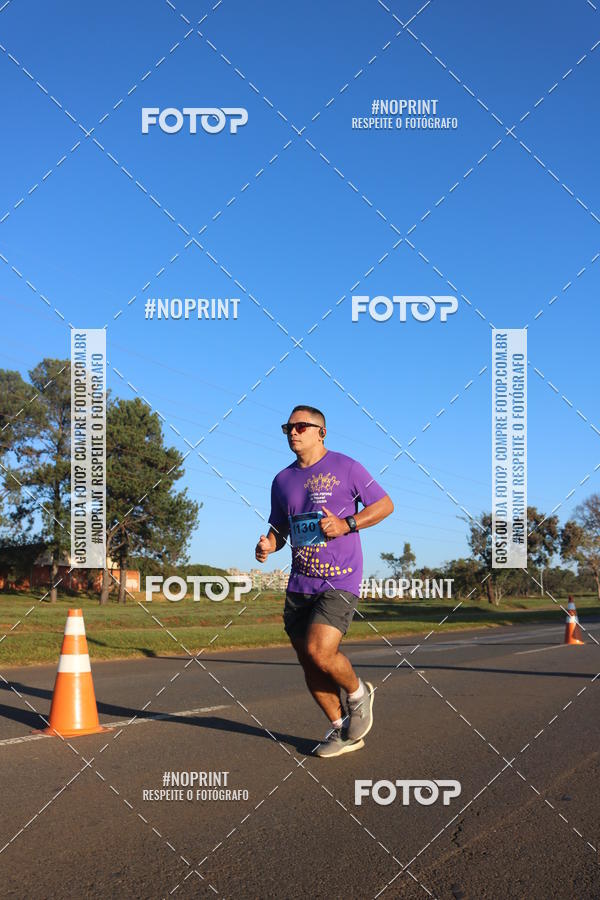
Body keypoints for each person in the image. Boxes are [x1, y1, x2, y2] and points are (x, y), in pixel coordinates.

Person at [255, 405, 393, 758]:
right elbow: (279, 528)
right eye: (288, 427)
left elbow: (385, 505)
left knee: (320, 651)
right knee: (307, 659)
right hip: (300, 582)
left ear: (322, 432)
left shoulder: (346, 467)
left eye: (301, 426)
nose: (293, 432)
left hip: (340, 579)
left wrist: (348, 524)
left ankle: (359, 694)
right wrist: (269, 543)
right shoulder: (282, 480)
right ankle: (340, 730)